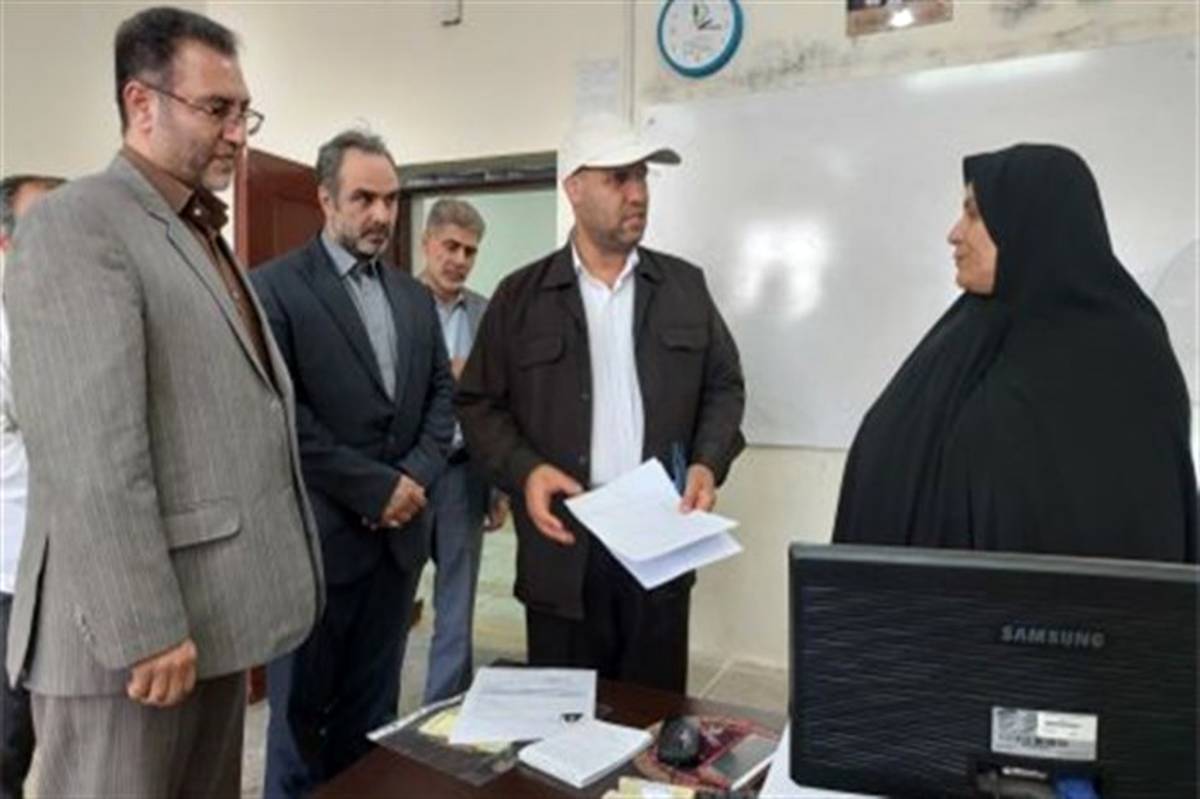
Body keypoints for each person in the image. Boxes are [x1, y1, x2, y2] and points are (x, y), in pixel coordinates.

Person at [3, 7, 323, 797]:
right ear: (140, 102)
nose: (237, 132)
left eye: (243, 111)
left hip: (204, 620)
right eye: (216, 109)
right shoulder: (79, 224)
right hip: (128, 647)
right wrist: (145, 627)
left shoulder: (191, 229)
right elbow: (88, 451)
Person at [457, 113, 746, 693]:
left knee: (654, 715)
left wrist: (706, 462)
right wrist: (526, 471)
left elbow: (724, 385)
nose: (638, 194)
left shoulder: (684, 287)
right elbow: (480, 403)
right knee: (565, 719)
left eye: (641, 177)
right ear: (574, 188)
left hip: (660, 543)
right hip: (564, 546)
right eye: (618, 178)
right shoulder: (520, 297)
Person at [833, 143, 1196, 563]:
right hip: (945, 599)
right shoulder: (966, 331)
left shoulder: (1129, 356)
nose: (955, 233)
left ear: (1028, 222)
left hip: (1079, 602)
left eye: (974, 214)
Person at [252, 129, 454, 795]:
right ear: (325, 199)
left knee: (373, 724)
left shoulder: (413, 297)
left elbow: (440, 399)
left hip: (397, 550)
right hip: (317, 548)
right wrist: (376, 489)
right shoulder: (274, 289)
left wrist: (414, 479)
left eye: (391, 200)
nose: (381, 214)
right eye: (364, 198)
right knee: (299, 727)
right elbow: (283, 416)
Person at [416, 198, 509, 703]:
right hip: (406, 475)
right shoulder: (396, 302)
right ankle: (377, 720)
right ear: (427, 243)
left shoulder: (487, 313)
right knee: (389, 606)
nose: (459, 260)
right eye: (450, 247)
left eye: (470, 251)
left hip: (462, 474)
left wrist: (497, 487)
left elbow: (496, 403)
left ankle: (445, 712)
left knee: (456, 606)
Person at [0, 174, 64, 799]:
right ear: (5, 243)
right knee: (8, 741)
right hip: (12, 575)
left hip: (77, 571)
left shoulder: (77, 320)